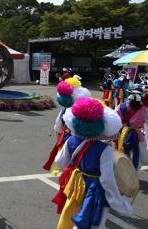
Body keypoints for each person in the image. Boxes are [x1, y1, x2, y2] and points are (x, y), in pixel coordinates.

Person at [52, 98, 133, 228]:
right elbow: (107, 180)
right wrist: (120, 204)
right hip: (93, 190)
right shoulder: (105, 149)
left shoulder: (71, 141)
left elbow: (60, 162)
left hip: (74, 185)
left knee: (74, 213)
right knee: (93, 222)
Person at [43, 77, 90, 173]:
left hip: (68, 139)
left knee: (66, 163)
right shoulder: (87, 110)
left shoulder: (65, 110)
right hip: (85, 141)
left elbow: (58, 128)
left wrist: (60, 138)